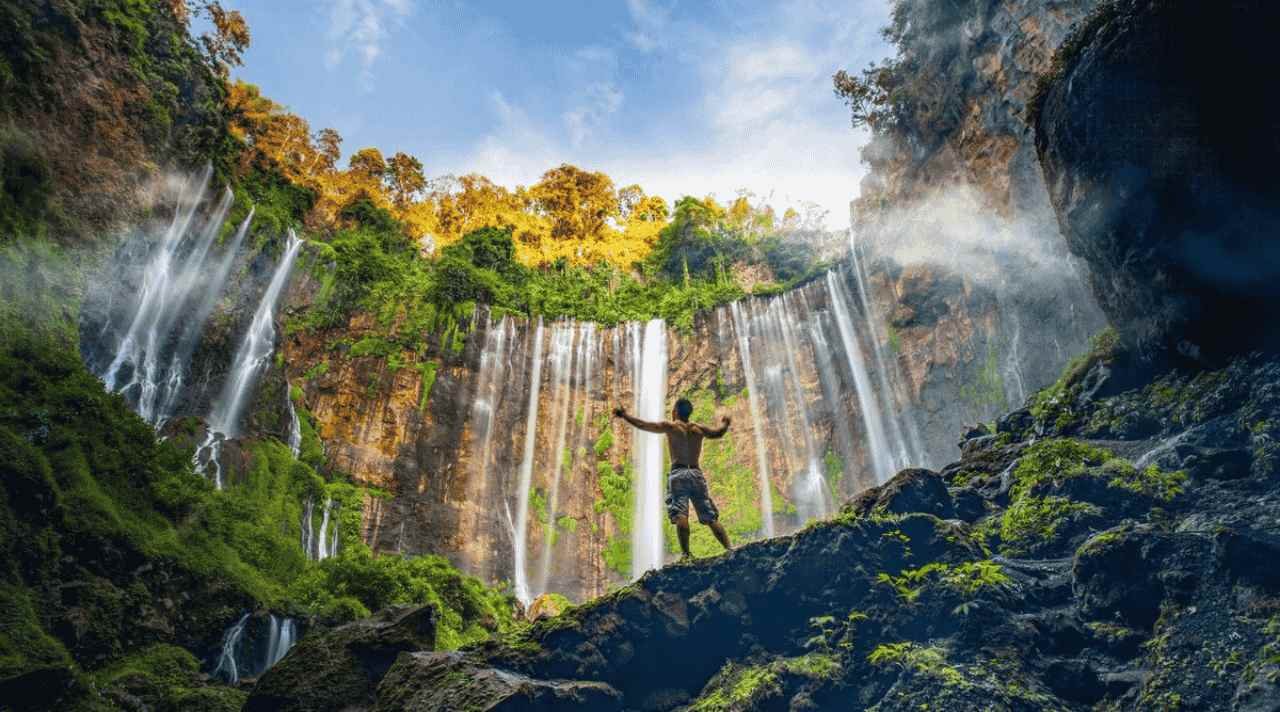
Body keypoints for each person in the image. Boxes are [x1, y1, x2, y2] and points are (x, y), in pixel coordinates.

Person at [613, 398, 733, 562]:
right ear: (689, 413)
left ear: (675, 411)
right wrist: (725, 423)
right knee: (709, 515)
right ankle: (729, 549)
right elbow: (718, 432)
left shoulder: (671, 427)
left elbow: (644, 425)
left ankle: (686, 554)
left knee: (680, 514)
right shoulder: (698, 429)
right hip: (696, 474)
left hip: (679, 473)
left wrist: (624, 415)